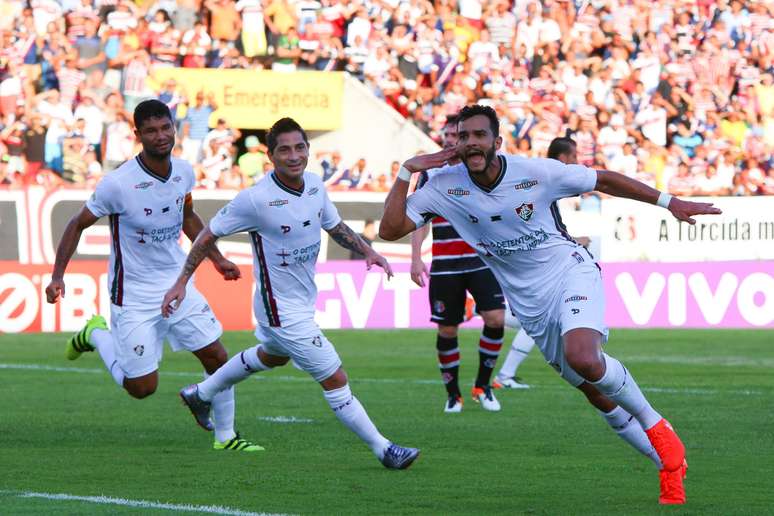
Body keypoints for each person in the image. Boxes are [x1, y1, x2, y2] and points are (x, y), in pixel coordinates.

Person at [380, 104, 722, 504]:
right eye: (463, 136)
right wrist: (408, 169)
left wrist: (669, 202)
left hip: (569, 272)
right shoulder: (441, 184)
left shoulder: (533, 172)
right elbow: (390, 229)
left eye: (479, 135)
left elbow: (604, 180)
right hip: (531, 304)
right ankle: (669, 466)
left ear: (496, 142)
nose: (471, 143)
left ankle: (657, 427)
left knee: (586, 359)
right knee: (594, 392)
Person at [162, 117, 420, 470]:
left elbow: (335, 226)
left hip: (299, 301)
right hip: (280, 309)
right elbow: (208, 234)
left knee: (273, 356)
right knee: (335, 377)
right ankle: (384, 449)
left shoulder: (315, 185)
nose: (294, 155)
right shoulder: (255, 199)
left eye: (300, 147)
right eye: (285, 149)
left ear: (308, 151)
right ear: (271, 156)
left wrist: (367, 250)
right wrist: (182, 281)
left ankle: (200, 393)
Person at [44, 99, 262, 453]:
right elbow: (76, 223)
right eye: (151, 131)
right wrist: (57, 276)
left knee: (217, 358)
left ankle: (227, 437)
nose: (160, 136)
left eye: (165, 128)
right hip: (133, 295)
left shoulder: (184, 172)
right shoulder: (117, 184)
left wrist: (217, 259)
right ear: (138, 135)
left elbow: (188, 217)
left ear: (174, 128)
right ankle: (97, 334)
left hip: (177, 284)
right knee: (141, 388)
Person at [410, 114, 506, 413]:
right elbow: (418, 219)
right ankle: (453, 394)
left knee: (496, 319)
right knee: (447, 330)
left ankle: (483, 385)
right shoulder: (431, 175)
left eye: (458, 135)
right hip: (446, 263)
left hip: (481, 259)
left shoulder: (480, 168)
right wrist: (415, 257)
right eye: (450, 135)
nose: (454, 140)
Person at [496, 136, 579, 389]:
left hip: (530, 263)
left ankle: (479, 313)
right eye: (573, 157)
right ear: (564, 158)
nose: (576, 162)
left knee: (534, 322)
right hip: (533, 266)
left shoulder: (539, 177)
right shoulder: (545, 180)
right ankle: (504, 376)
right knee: (537, 322)